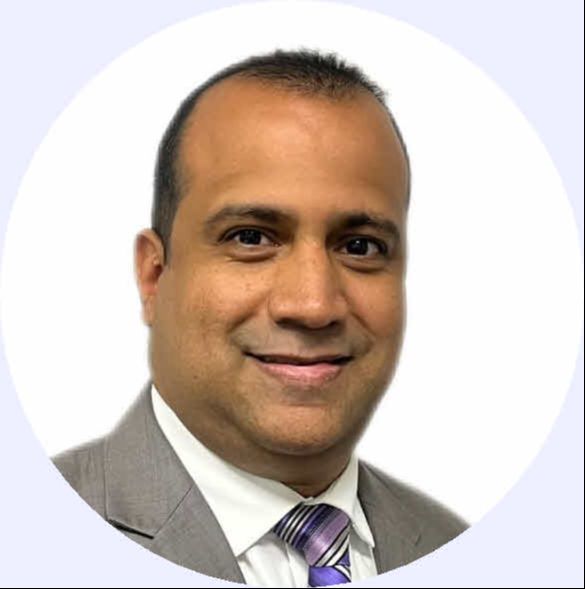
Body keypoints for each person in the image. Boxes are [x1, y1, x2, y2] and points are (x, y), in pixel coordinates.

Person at [53, 49, 467, 587]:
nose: (313, 305)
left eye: (360, 246)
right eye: (251, 237)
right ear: (154, 275)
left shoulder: (451, 544)